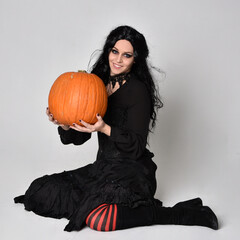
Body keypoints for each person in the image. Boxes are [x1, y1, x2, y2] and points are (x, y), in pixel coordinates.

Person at [14, 25, 218, 231]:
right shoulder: (97, 82)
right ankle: (92, 206)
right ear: (108, 51)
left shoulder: (138, 90)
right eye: (115, 52)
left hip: (133, 173)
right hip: (102, 169)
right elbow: (78, 138)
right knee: (42, 191)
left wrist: (104, 128)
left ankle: (180, 213)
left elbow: (137, 147)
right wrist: (66, 124)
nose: (118, 60)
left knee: (99, 220)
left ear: (135, 59)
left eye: (126, 55)